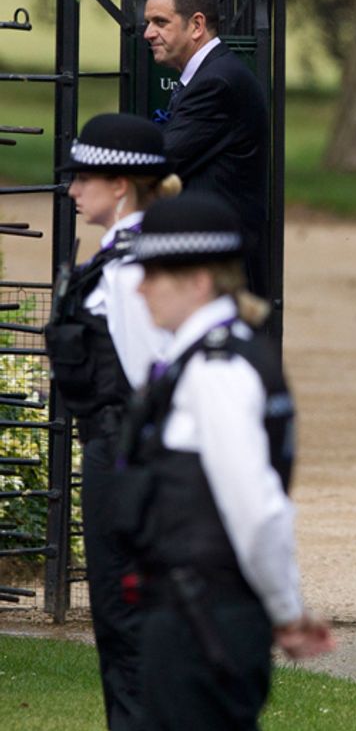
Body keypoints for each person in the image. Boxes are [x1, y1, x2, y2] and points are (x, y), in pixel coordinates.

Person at [116, 193, 333, 727]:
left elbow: (255, 508)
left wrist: (287, 611)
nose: (140, 288)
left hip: (202, 617)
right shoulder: (210, 355)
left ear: (199, 281)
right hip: (197, 610)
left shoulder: (216, 371)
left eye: (154, 274)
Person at [44, 113, 181, 730]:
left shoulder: (133, 267)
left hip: (128, 460)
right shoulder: (133, 249)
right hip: (126, 457)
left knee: (127, 624)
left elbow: (155, 376)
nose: (73, 190)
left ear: (120, 183)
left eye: (83, 176)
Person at [143, 0, 270, 298]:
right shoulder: (210, 74)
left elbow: (165, 158)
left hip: (220, 262)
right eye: (148, 23)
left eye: (160, 22)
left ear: (196, 24)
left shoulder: (216, 82)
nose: (148, 34)